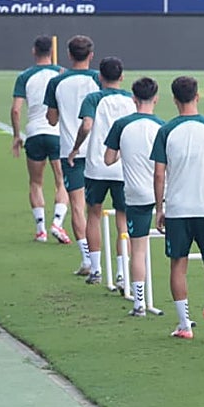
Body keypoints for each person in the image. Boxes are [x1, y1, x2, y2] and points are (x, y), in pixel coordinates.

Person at [152, 76, 204, 340]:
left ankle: (185, 325)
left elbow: (159, 174)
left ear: (174, 99)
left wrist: (160, 207)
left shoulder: (166, 131)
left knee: (178, 265)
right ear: (197, 96)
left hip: (177, 208)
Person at [71, 56, 135, 287]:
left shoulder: (93, 98)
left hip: (97, 166)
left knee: (94, 215)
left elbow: (86, 125)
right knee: (122, 218)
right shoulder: (131, 99)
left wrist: (76, 147)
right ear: (122, 76)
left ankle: (96, 268)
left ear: (100, 77)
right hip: (122, 167)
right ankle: (121, 272)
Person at [103, 76, 163, 317]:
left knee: (137, 248)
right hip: (163, 194)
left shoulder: (122, 125)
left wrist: (123, 154)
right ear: (156, 99)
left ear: (133, 98)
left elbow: (108, 159)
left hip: (135, 193)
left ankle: (139, 303)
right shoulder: (162, 126)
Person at [44, 35, 99, 275]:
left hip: (71, 152)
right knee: (98, 209)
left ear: (68, 54)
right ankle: (114, 266)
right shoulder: (99, 78)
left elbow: (52, 119)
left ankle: (88, 259)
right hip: (98, 152)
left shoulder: (57, 82)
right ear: (91, 55)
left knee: (77, 206)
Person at [10, 35, 68, 244]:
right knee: (61, 181)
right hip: (56, 133)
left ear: (34, 51)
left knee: (36, 182)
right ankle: (58, 224)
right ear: (52, 52)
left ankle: (41, 230)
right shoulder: (62, 73)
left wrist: (17, 136)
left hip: (34, 132)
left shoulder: (25, 76)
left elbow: (16, 110)